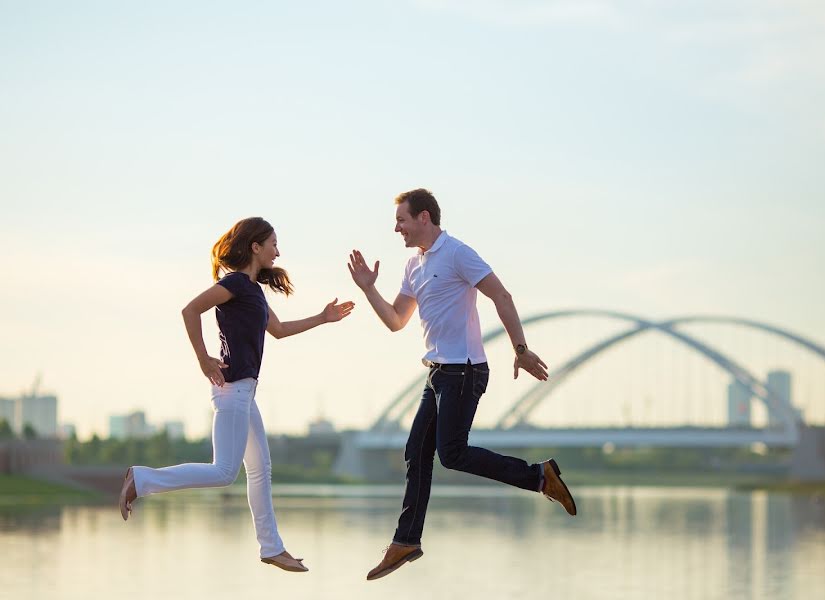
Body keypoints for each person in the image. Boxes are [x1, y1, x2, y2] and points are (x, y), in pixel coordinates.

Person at [348, 188, 576, 581]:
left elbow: (500, 294)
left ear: (424, 217)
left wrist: (520, 348)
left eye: (401, 219)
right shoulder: (412, 266)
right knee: (416, 452)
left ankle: (540, 477)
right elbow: (396, 320)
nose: (395, 227)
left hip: (465, 370)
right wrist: (369, 288)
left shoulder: (457, 253)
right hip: (437, 371)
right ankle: (406, 540)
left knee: (451, 453)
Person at [118, 217, 354, 573]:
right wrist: (202, 358)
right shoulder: (232, 284)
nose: (279, 250)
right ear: (255, 246)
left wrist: (323, 317)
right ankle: (142, 479)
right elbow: (190, 309)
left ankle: (272, 547)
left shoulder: (253, 290)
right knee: (225, 471)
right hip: (231, 391)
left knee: (260, 470)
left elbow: (279, 330)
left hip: (245, 393)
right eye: (274, 243)